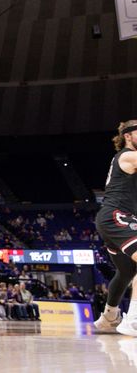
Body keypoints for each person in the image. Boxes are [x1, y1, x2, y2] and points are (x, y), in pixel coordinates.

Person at [94, 120, 137, 336]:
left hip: (114, 217)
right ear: (128, 136)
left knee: (127, 271)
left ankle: (109, 316)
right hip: (116, 216)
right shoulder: (129, 155)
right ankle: (133, 321)